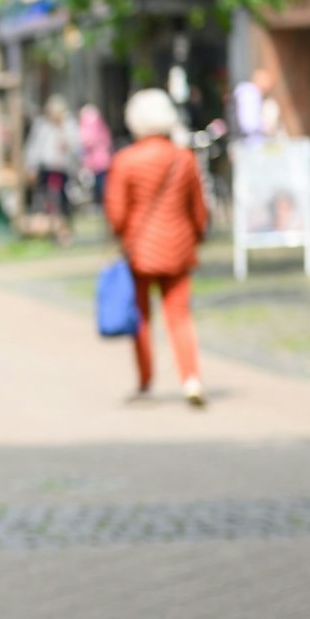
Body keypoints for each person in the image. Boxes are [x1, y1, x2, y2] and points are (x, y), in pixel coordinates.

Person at [106, 89, 209, 408]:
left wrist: (123, 235)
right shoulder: (183, 157)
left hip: (140, 253)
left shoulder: (125, 161)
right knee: (179, 316)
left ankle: (146, 380)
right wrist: (196, 235)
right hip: (179, 248)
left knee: (142, 319)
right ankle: (190, 378)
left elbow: (116, 212)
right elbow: (198, 208)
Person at [23, 96, 80, 242]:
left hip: (62, 170)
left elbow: (77, 148)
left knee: (61, 203)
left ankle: (64, 231)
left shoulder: (69, 125)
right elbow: (34, 148)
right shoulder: (42, 125)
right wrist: (31, 166)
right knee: (45, 202)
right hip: (46, 169)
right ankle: (46, 231)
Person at [78, 102, 114, 208]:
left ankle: (101, 203)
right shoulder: (100, 125)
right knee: (100, 183)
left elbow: (87, 140)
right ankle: (100, 202)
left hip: (97, 161)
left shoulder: (88, 123)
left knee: (100, 184)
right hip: (100, 160)